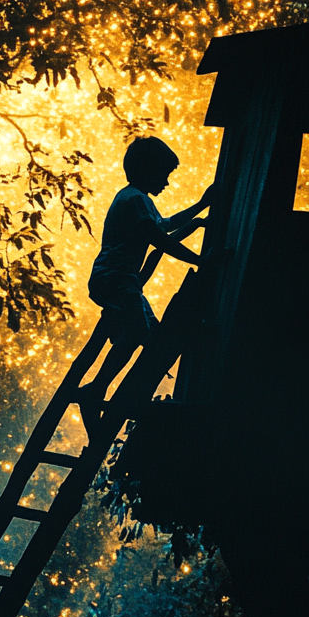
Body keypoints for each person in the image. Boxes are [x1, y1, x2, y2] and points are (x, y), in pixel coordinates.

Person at [78, 135, 215, 410]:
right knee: (139, 328)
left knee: (151, 333)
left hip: (121, 280)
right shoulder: (135, 200)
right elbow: (160, 239)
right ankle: (97, 387)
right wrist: (201, 260)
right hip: (114, 278)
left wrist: (201, 208)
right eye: (163, 175)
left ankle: (101, 387)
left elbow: (164, 226)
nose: (166, 182)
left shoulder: (137, 199)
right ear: (146, 170)